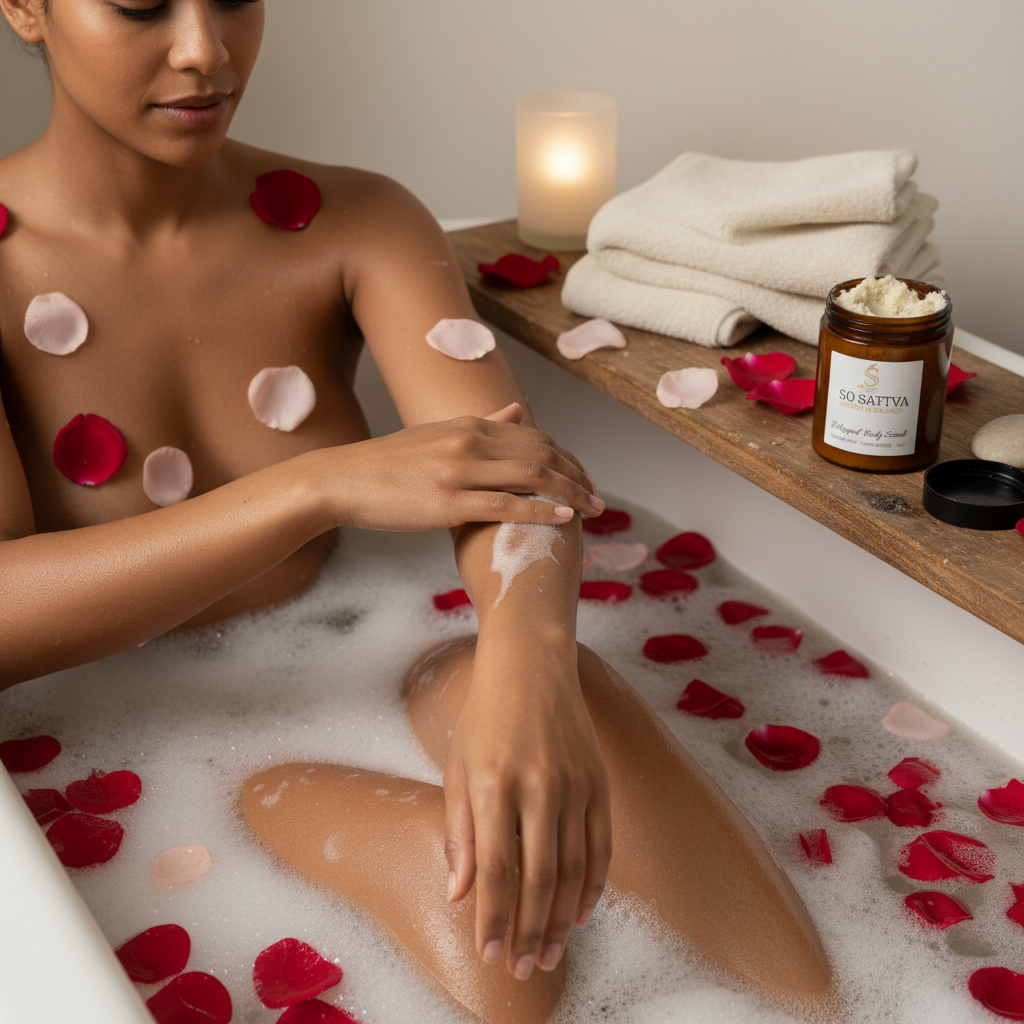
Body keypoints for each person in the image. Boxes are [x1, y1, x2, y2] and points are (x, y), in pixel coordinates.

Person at [0, 2, 835, 1020]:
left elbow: (513, 475)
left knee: (559, 688)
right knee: (497, 953)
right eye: (140, 3)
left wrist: (528, 683)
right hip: (149, 730)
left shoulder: (358, 220)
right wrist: (317, 482)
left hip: (351, 652)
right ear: (25, 8)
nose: (204, 51)